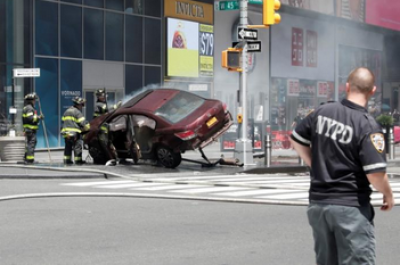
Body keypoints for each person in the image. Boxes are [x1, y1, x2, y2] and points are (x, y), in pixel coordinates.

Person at [290, 67, 394, 265]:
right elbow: (375, 175)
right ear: (373, 91)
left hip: (318, 205)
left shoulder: (322, 111)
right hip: (350, 205)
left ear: (347, 87)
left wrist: (314, 164)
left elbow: (297, 139)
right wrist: (388, 194)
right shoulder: (368, 126)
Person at [61, 97, 90, 165]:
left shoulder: (67, 111)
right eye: (82, 105)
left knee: (68, 147)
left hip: (66, 133)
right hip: (75, 134)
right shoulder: (77, 112)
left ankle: (67, 161)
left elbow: (63, 121)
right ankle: (78, 161)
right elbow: (83, 123)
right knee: (77, 147)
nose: (82, 106)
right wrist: (88, 127)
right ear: (78, 104)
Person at [22, 92, 43, 164]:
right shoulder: (29, 108)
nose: (35, 101)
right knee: (31, 144)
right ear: (30, 100)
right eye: (34, 100)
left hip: (29, 130)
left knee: (29, 144)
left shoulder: (28, 108)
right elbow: (30, 118)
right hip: (30, 130)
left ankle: (26, 158)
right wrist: (38, 117)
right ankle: (30, 160)